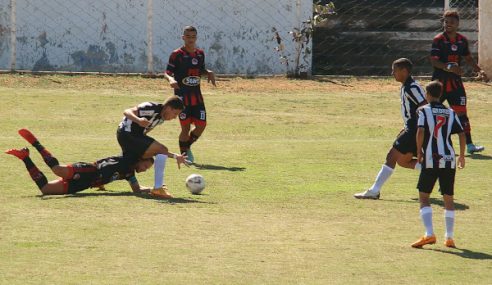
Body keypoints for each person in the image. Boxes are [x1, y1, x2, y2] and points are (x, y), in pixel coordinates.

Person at [354, 58, 426, 199]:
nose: (392, 73)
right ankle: (432, 171)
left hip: (414, 129)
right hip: (411, 128)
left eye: (395, 70)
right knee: (403, 161)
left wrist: (418, 127)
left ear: (404, 71)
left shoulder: (412, 87)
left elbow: (424, 105)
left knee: (391, 157)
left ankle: (374, 191)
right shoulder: (407, 86)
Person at [5, 129, 153, 195]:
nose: (145, 169)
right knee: (57, 169)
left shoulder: (129, 173)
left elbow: (137, 190)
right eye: (146, 165)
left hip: (85, 184)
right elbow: (107, 166)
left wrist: (154, 189)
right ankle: (35, 143)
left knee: (45, 189)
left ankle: (25, 157)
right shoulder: (127, 159)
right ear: (140, 158)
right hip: (89, 170)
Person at [411, 80, 465, 249]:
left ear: (427, 95)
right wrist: (462, 155)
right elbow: (462, 133)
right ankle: (449, 237)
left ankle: (429, 234)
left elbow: (421, 131)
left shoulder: (424, 111)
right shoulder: (450, 112)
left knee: (424, 196)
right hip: (449, 159)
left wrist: (419, 151)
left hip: (431, 158)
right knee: (448, 198)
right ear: (440, 95)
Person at [430, 10, 489, 154]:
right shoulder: (438, 39)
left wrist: (478, 70)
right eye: (446, 22)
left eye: (451, 22)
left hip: (456, 84)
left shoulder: (462, 40)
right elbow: (434, 61)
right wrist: (449, 67)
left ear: (457, 24)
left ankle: (469, 145)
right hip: (439, 84)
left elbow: (468, 58)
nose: (448, 25)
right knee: (430, 113)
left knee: (462, 114)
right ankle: (426, 143)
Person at [117, 95, 188, 199]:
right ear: (168, 108)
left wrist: (175, 156)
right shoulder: (151, 108)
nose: (174, 118)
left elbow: (154, 147)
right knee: (162, 149)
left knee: (127, 165)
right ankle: (158, 188)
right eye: (175, 113)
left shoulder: (160, 119)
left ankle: (99, 176)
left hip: (133, 136)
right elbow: (127, 111)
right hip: (127, 134)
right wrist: (138, 120)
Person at [164, 25, 216, 163]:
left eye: (193, 37)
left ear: (196, 38)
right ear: (183, 37)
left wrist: (208, 72)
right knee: (185, 128)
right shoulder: (176, 54)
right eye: (188, 36)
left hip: (197, 97)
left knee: (201, 125)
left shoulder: (200, 54)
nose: (191, 39)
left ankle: (186, 147)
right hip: (182, 98)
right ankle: (184, 155)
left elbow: (201, 69)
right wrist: (171, 79)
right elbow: (167, 72)